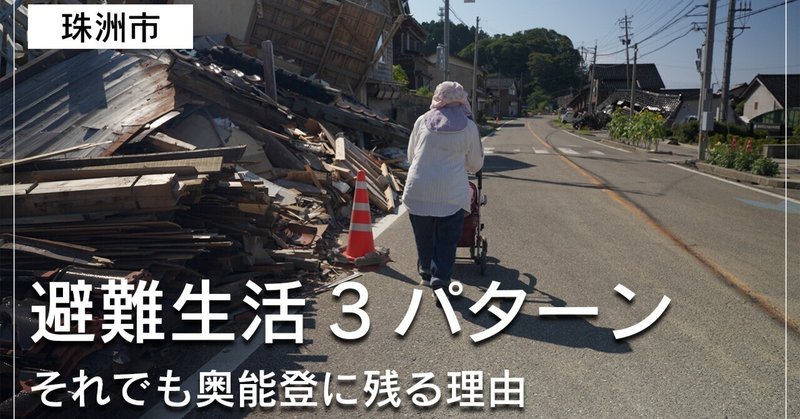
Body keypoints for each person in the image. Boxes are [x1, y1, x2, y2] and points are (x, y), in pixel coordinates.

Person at [401, 81, 484, 295]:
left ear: (437, 97)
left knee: (424, 234)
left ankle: (426, 272)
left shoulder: (421, 121)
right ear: (462, 100)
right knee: (447, 237)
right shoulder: (469, 126)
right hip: (451, 192)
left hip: (418, 188)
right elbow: (475, 164)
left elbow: (411, 156)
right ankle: (441, 278)